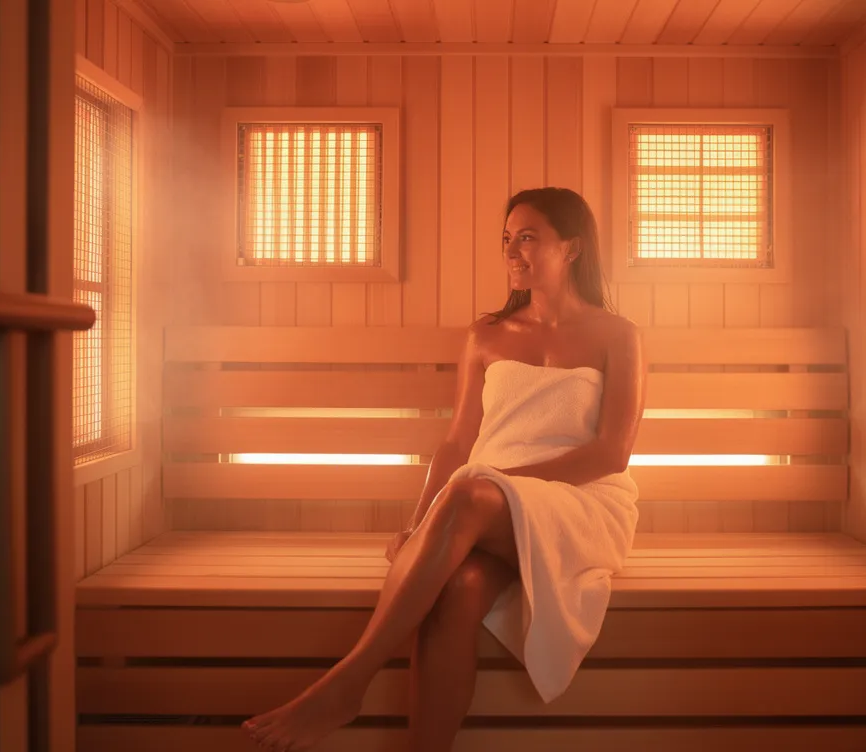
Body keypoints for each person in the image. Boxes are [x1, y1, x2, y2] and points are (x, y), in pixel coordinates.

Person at [243, 187, 645, 751]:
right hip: (488, 509)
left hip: (582, 502)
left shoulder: (618, 335)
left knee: (470, 493)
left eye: (527, 237)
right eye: (507, 239)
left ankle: (348, 683)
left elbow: (611, 453)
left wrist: (499, 487)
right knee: (459, 588)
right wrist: (417, 526)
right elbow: (459, 440)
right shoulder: (486, 336)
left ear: (572, 247)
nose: (512, 251)